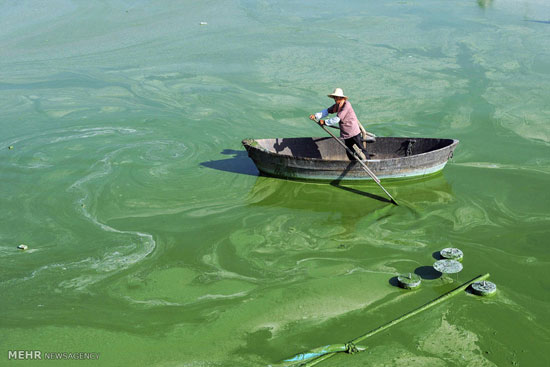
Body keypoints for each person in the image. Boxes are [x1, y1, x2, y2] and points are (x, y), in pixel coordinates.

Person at [309, 88, 370, 160]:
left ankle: (369, 162)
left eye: (336, 97)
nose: (335, 99)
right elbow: (326, 111)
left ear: (341, 97)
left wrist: (325, 122)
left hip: (353, 132)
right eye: (334, 97)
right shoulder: (337, 106)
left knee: (361, 150)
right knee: (350, 152)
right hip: (346, 134)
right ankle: (354, 165)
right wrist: (315, 116)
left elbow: (337, 119)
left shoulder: (346, 105)